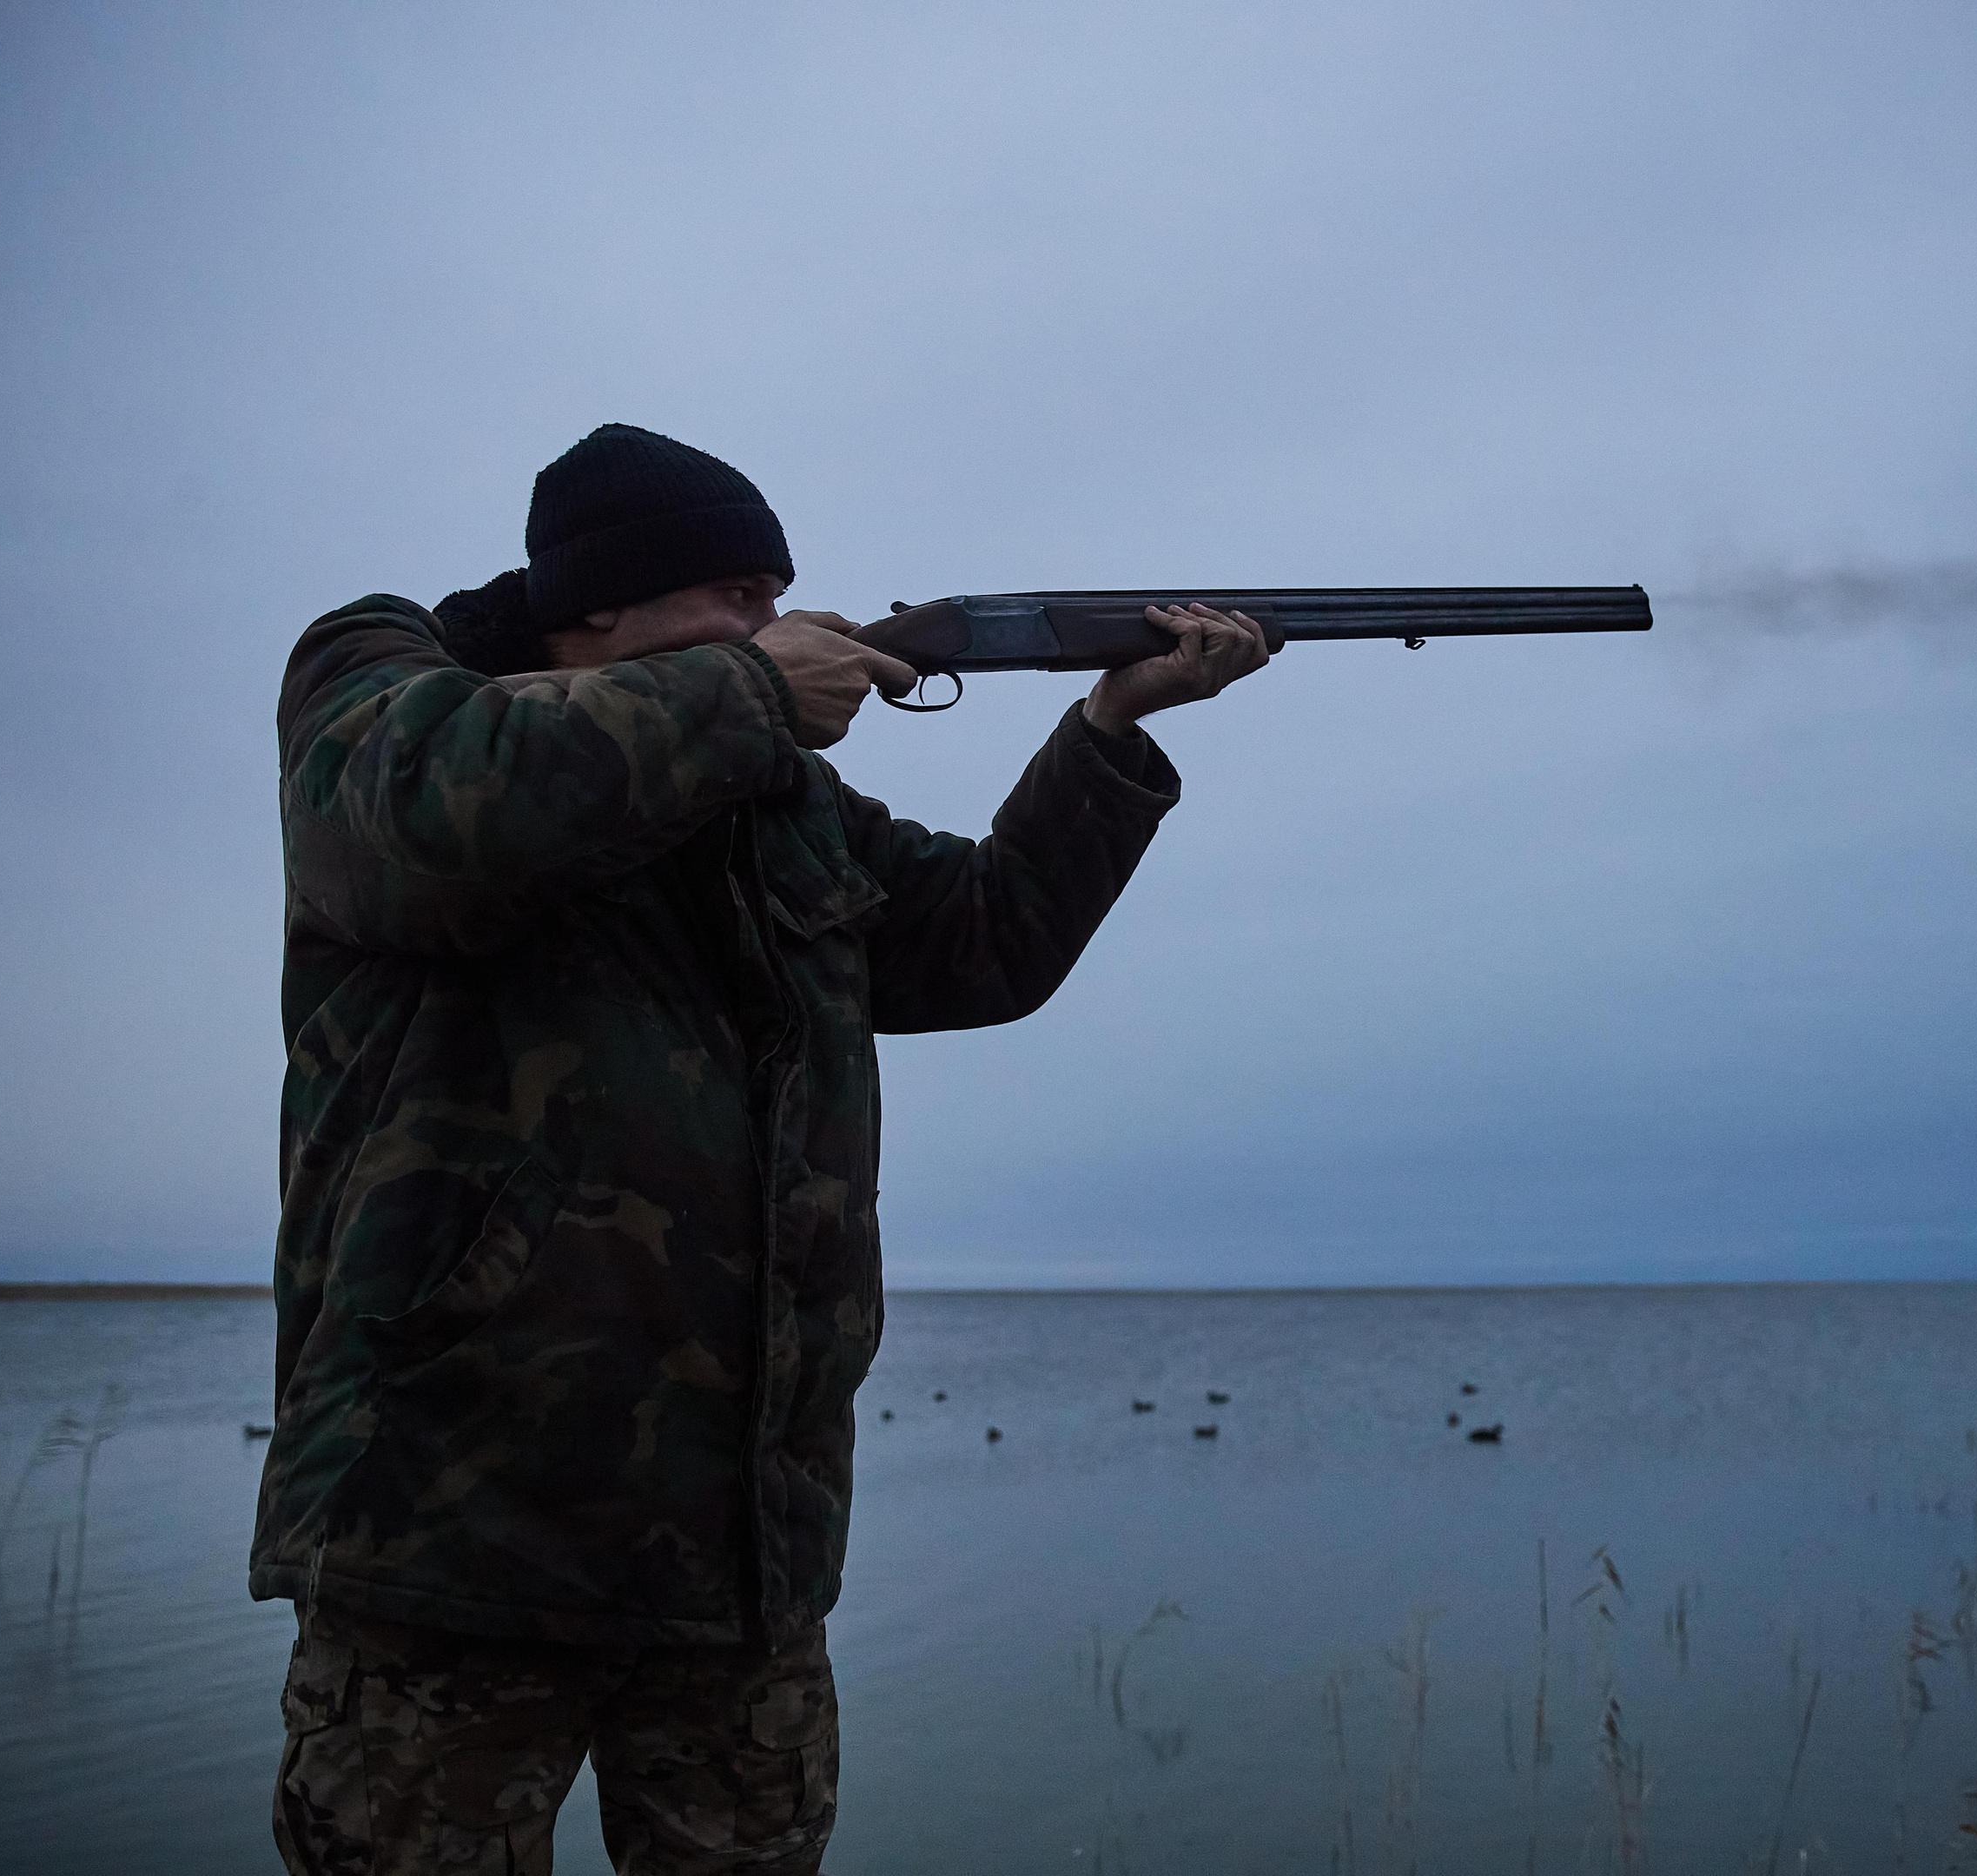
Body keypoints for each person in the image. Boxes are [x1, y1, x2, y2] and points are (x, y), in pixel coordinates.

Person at [252, 423, 1267, 1873]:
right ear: (596, 602)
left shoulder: (779, 804)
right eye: (733, 593)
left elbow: (987, 944)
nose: (774, 622)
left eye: (774, 592)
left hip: (744, 1563)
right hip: (447, 1546)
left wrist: (1111, 729)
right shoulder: (382, 679)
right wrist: (743, 689)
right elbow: (427, 819)